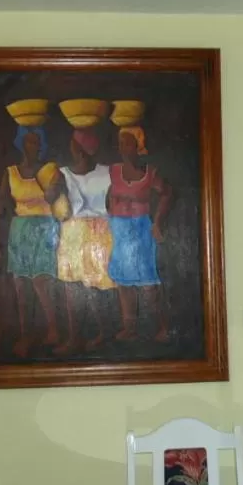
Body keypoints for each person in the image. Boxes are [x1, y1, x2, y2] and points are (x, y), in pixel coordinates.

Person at [0, 118, 64, 358]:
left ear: (41, 144)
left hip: (44, 228)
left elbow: (58, 200)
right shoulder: (10, 172)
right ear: (21, 143)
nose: (32, 146)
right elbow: (1, 204)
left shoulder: (50, 170)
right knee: (20, 286)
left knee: (41, 282)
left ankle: (54, 330)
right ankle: (26, 335)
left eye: (36, 141)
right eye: (28, 141)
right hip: (19, 230)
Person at [107, 123, 173, 342]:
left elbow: (166, 194)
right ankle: (130, 328)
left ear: (138, 145)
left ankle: (163, 327)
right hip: (119, 229)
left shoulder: (149, 173)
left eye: (128, 142)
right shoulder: (113, 171)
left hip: (141, 230)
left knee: (148, 284)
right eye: (121, 142)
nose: (123, 146)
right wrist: (110, 217)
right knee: (124, 283)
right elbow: (106, 197)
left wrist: (157, 222)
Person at [56, 127, 115, 351]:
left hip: (100, 233)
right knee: (71, 288)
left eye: (75, 143)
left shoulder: (108, 172)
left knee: (98, 284)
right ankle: (74, 336)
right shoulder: (61, 173)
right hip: (72, 233)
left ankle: (104, 332)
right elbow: (58, 205)